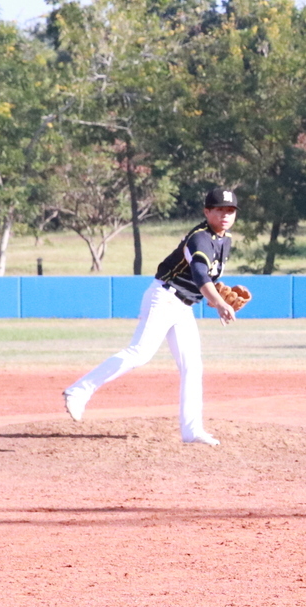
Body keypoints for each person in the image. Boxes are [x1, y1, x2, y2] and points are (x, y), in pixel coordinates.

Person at [62, 188, 240, 445]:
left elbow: (204, 281)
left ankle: (191, 430)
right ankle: (78, 391)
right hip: (164, 298)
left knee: (192, 366)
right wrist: (219, 301)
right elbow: (200, 274)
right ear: (207, 211)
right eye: (219, 209)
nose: (225, 215)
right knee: (140, 353)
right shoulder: (200, 238)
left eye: (230, 210)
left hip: (183, 306)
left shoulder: (225, 240)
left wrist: (215, 298)